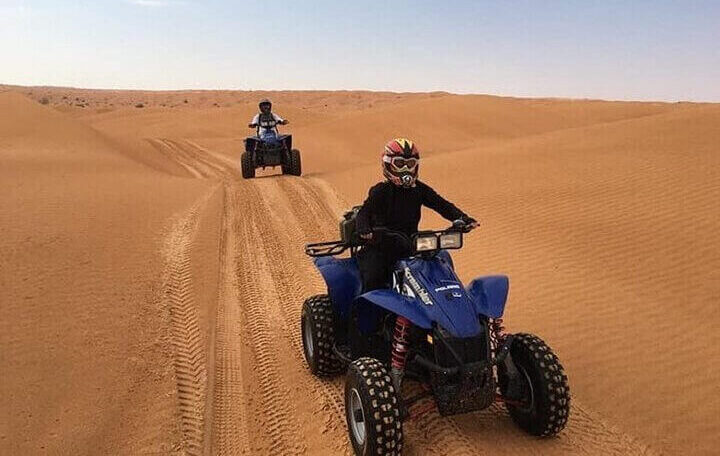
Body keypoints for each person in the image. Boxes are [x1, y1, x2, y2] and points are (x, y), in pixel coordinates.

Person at [355, 138, 478, 292]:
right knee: (374, 277)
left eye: (410, 164)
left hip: (411, 243)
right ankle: (366, 314)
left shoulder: (419, 189)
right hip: (381, 245)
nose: (405, 169)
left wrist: (461, 218)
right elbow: (364, 211)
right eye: (400, 164)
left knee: (441, 260)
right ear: (388, 164)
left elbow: (441, 204)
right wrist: (364, 229)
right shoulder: (381, 191)